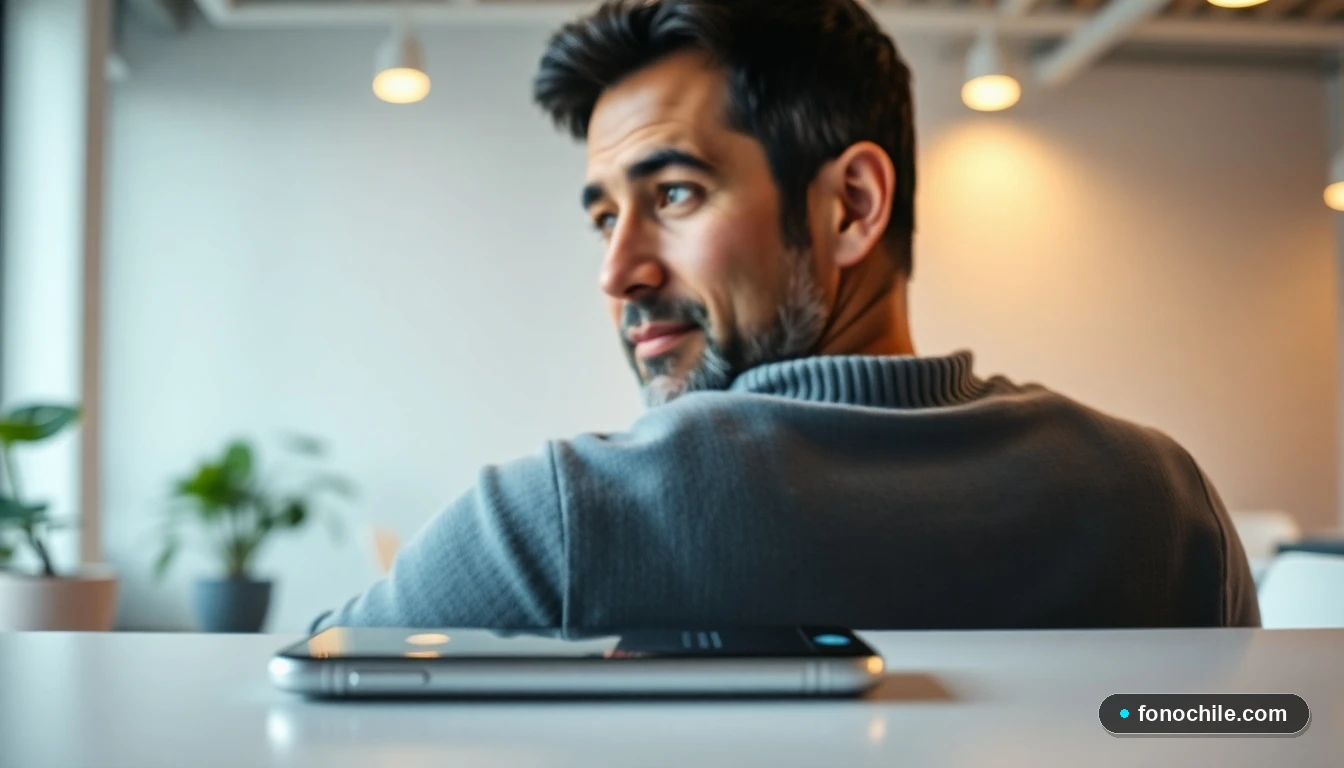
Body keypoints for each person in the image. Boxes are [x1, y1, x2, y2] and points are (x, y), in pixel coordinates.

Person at [313, 0, 1258, 632]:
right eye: (606, 215)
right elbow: (1233, 738)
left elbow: (294, 694)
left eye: (674, 194)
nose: (618, 269)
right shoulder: (1160, 504)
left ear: (849, 206)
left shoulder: (555, 524)